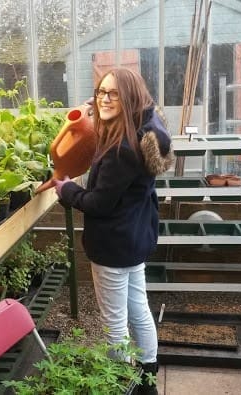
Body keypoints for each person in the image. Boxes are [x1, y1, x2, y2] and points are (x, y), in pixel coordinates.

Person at [53, 67, 173, 394]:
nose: (104, 98)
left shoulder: (122, 149)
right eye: (101, 92)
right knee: (138, 308)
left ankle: (118, 384)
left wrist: (66, 191)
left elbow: (98, 204)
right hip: (135, 238)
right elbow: (144, 109)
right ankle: (148, 381)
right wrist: (98, 110)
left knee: (114, 323)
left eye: (113, 94)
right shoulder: (148, 129)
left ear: (129, 98)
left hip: (112, 245)